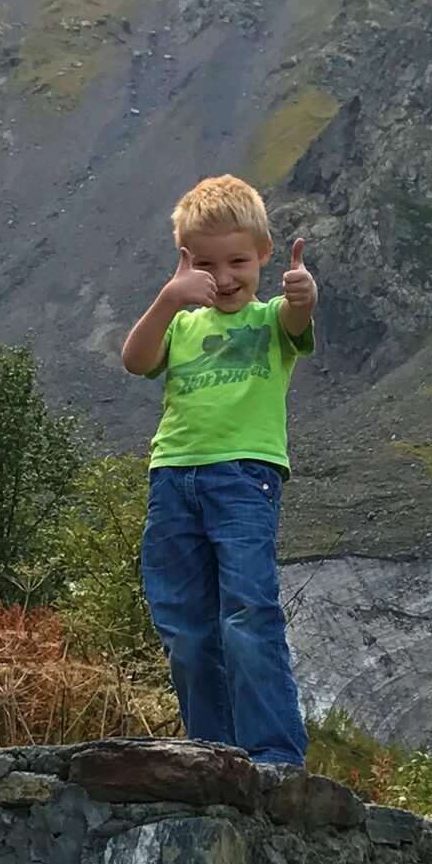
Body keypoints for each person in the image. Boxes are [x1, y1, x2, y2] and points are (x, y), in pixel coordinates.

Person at [121, 173, 316, 767]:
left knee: (246, 611)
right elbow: (135, 361)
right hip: (173, 476)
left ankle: (274, 755)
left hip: (243, 479)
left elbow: (297, 319)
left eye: (239, 261)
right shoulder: (180, 321)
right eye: (208, 264)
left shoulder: (271, 319)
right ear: (186, 261)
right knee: (183, 623)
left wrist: (303, 293)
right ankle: (213, 751)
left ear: (262, 254)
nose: (226, 277)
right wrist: (169, 295)